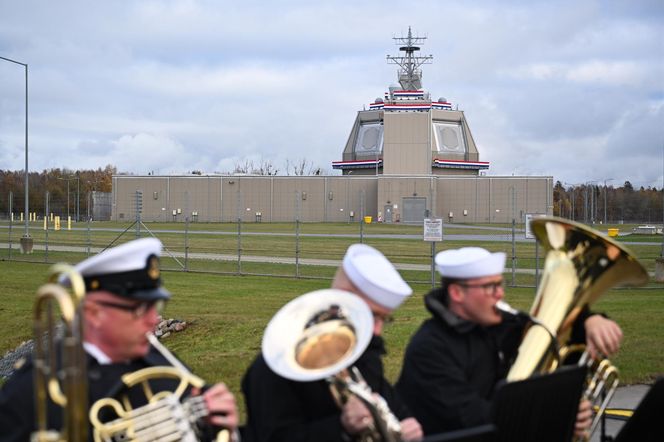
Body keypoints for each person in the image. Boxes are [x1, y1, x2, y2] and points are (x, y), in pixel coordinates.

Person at [0, 237, 239, 442]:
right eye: (139, 309)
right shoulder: (36, 387)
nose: (153, 320)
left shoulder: (163, 367)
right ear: (94, 313)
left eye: (155, 306)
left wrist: (218, 424)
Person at [396, 247, 623, 439]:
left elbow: (556, 337)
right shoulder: (429, 347)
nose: (500, 294)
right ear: (457, 293)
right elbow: (473, 418)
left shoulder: (500, 324)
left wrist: (590, 320)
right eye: (490, 287)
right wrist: (557, 414)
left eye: (500, 284)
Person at [242, 244, 423, 442]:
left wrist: (405, 422)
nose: (377, 330)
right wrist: (341, 428)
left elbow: (388, 401)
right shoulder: (277, 365)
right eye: (372, 315)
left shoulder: (365, 352)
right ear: (344, 297)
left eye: (384, 319)